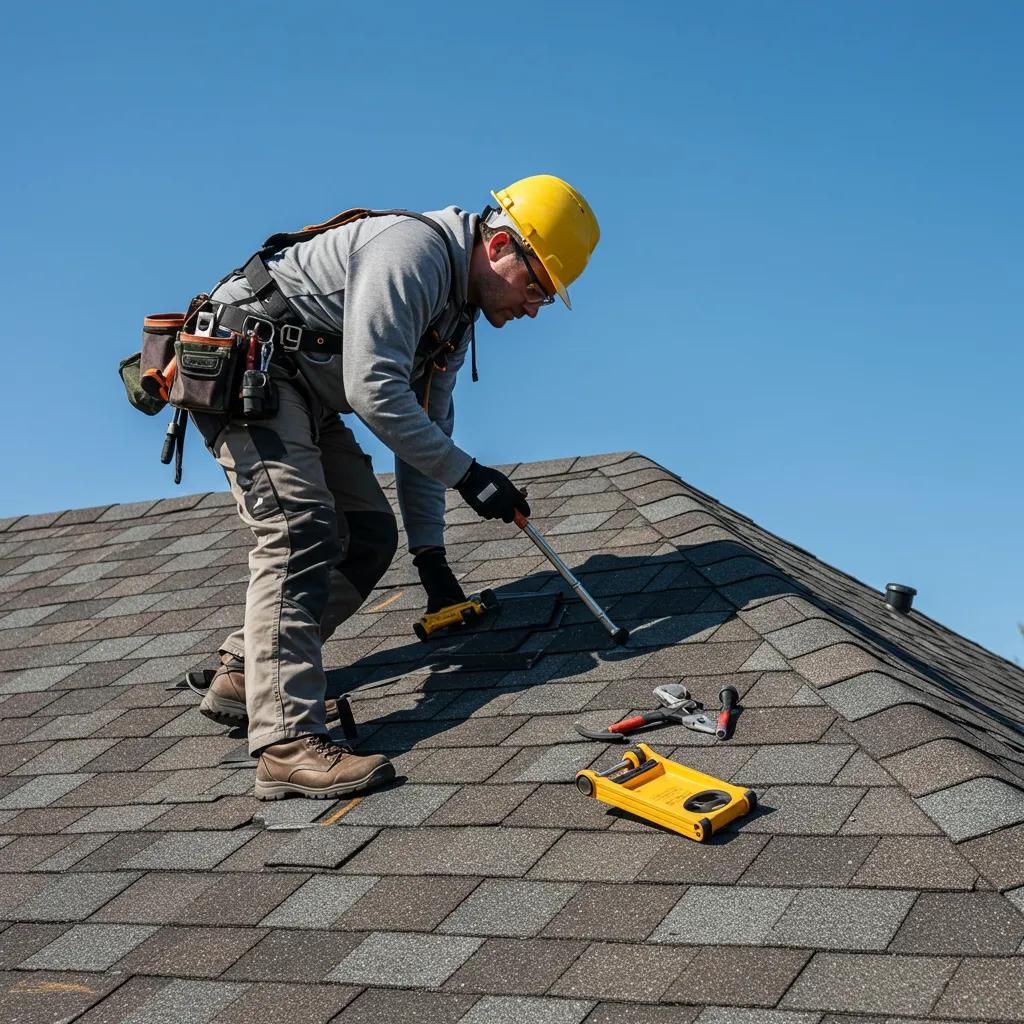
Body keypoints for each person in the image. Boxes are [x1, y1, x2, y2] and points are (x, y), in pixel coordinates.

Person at [191, 175, 600, 800]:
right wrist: (469, 475)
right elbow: (374, 392)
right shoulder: (414, 253)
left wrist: (431, 558)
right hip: (250, 363)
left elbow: (424, 429)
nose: (535, 306)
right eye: (538, 285)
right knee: (301, 530)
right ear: (498, 249)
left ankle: (248, 671)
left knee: (369, 535)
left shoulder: (457, 315)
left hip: (303, 389)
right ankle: (286, 743)